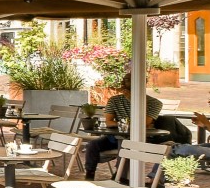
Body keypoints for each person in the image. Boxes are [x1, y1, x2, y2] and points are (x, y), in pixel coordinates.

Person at [81, 74, 210, 181]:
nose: (123, 83)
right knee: (93, 145)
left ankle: (125, 178)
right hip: (116, 137)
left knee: (168, 149)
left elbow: (144, 123)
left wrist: (206, 124)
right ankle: (90, 176)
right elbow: (109, 122)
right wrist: (205, 124)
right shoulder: (115, 101)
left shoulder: (153, 103)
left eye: (127, 80)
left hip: (143, 138)